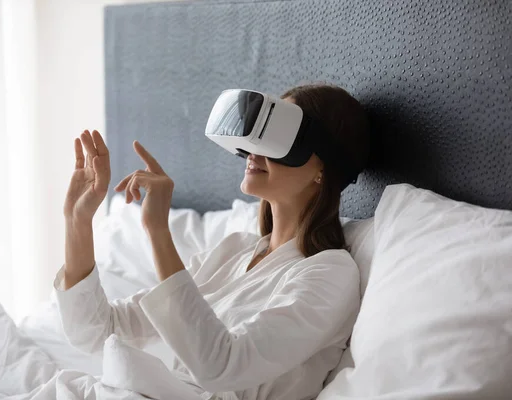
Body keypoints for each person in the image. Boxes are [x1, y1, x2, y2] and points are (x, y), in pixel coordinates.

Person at [56, 83, 371, 400]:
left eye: (277, 136)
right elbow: (95, 331)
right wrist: (77, 221)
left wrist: (157, 229)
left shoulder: (331, 274)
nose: (253, 149)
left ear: (322, 169)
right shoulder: (233, 251)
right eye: (256, 133)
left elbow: (222, 367)